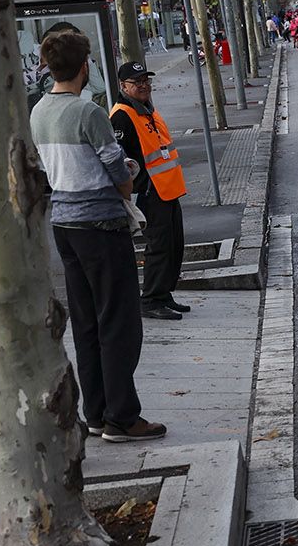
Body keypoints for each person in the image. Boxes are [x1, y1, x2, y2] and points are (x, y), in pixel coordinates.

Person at [30, 30, 165, 443]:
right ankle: (123, 416)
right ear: (84, 65)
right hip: (102, 226)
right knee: (119, 322)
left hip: (66, 227)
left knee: (87, 323)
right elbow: (118, 173)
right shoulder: (88, 112)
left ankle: (96, 413)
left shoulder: (39, 112)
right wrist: (129, 176)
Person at [110, 61, 190, 321]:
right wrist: (142, 186)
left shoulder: (146, 110)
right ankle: (151, 299)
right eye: (137, 82)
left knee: (173, 245)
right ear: (124, 86)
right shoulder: (122, 114)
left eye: (146, 80)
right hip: (151, 192)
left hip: (169, 189)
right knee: (158, 247)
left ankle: (164, 294)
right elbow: (122, 159)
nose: (144, 85)